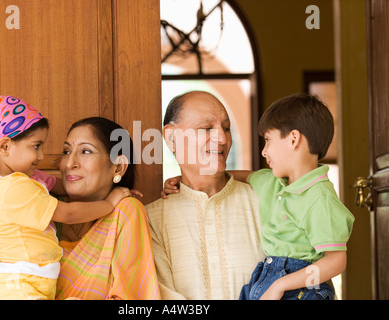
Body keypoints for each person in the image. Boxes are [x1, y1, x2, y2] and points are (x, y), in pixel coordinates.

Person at [164, 93, 355, 300]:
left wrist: (282, 284)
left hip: (298, 287)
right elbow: (247, 175)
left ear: (293, 139)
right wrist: (182, 178)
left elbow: (336, 261)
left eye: (267, 141)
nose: (263, 152)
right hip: (266, 279)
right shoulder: (271, 183)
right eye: (207, 128)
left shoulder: (320, 200)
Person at [0, 96, 131, 300]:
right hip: (17, 287)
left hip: (31, 285)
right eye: (36, 146)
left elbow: (64, 182)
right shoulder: (14, 189)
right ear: (5, 147)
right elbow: (68, 213)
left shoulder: (27, 181)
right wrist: (109, 203)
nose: (42, 156)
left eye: (86, 151)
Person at [146, 91, 265, 300]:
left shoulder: (266, 202)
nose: (222, 138)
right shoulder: (151, 219)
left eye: (226, 128)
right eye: (206, 128)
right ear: (172, 138)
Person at [54, 117, 161, 300]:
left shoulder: (125, 212)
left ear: (118, 167)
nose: (69, 163)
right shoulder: (47, 208)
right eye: (66, 151)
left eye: (85, 151)